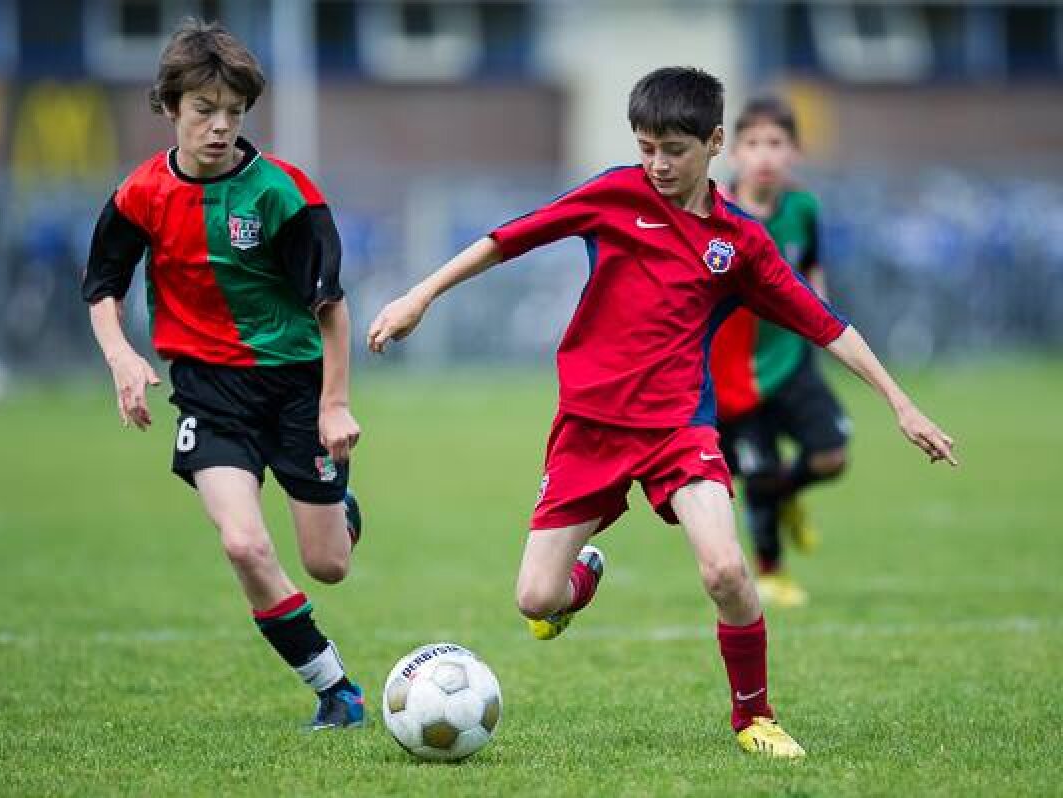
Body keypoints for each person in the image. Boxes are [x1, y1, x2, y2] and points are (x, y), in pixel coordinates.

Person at [368, 67, 955, 758]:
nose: (656, 164)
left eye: (672, 150)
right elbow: (507, 238)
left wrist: (901, 403)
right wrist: (420, 296)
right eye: (645, 146)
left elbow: (825, 324)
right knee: (535, 599)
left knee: (726, 572)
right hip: (588, 431)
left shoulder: (740, 244)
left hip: (680, 430)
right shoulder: (616, 194)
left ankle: (754, 718)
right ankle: (584, 571)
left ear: (713, 145)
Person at [81, 19, 366, 730]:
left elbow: (331, 308)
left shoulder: (283, 194)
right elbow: (102, 287)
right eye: (204, 110)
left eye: (233, 113)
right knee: (242, 543)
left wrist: (334, 405)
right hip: (209, 391)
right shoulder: (140, 193)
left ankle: (340, 511)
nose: (219, 126)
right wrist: (121, 356)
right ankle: (336, 690)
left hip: (296, 386)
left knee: (328, 564)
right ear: (170, 107)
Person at [709, 96, 849, 608]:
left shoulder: (804, 208)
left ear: (795, 152)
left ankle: (789, 496)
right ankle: (770, 572)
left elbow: (811, 267)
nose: (764, 155)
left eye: (776, 143)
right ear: (732, 152)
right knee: (758, 471)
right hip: (732, 373)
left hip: (790, 358)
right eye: (753, 144)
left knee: (832, 457)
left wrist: (824, 321)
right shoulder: (713, 209)